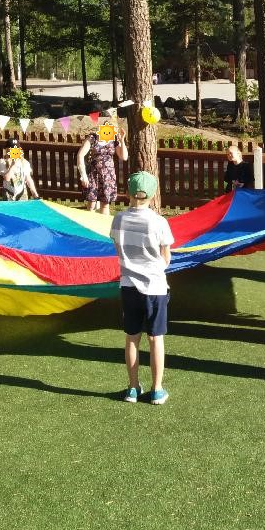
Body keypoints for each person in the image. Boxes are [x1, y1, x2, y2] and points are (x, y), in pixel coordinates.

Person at [109, 171, 174, 405]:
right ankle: (157, 390)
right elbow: (166, 257)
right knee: (156, 339)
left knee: (132, 338)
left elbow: (119, 249)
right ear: (153, 194)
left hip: (128, 286)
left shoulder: (118, 219)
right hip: (154, 287)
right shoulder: (159, 222)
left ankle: (133, 388)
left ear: (128, 192)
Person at [77, 122, 128, 215]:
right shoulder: (93, 138)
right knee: (91, 204)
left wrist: (122, 140)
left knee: (105, 204)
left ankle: (103, 224)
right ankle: (89, 223)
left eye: (114, 130)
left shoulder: (114, 140)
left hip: (108, 176)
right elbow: (80, 155)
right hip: (93, 174)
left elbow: (124, 157)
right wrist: (83, 175)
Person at [0, 137, 39, 201]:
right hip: (8, 193)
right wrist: (12, 165)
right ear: (7, 150)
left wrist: (34, 193)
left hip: (22, 193)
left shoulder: (24, 163)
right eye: (10, 150)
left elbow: (28, 179)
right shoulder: (3, 162)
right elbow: (7, 178)